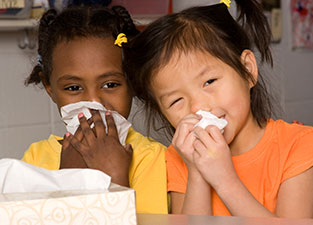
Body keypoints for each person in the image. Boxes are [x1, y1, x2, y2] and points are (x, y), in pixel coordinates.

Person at [123, 0, 313, 218]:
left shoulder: (298, 145)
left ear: (248, 70)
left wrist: (224, 179)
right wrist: (197, 173)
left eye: (209, 81)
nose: (197, 107)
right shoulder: (179, 158)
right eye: (176, 101)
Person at [21, 5, 168, 214]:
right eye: (73, 88)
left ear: (133, 82)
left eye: (110, 84)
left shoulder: (152, 158)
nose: (94, 102)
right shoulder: (35, 159)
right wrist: (69, 178)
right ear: (50, 89)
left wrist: (115, 178)